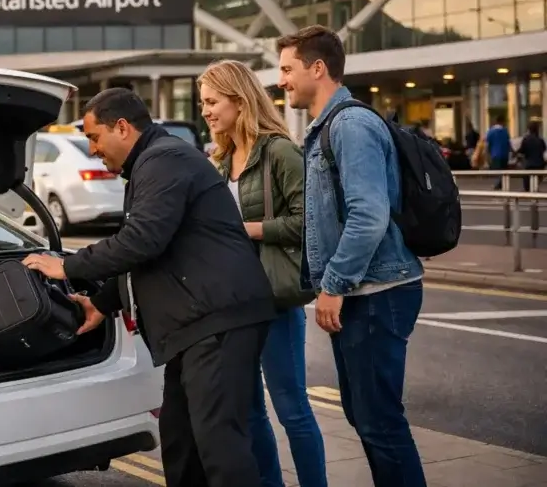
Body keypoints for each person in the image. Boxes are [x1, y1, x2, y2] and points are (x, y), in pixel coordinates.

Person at [22, 87, 276, 487]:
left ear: (121, 127)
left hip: (217, 322)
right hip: (194, 325)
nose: (91, 150)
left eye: (93, 137)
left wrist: (66, 266)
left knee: (220, 450)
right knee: (181, 442)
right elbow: (144, 254)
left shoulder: (164, 160)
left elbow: (142, 240)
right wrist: (102, 303)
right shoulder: (151, 163)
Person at [275, 25, 427, 487]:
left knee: (380, 423)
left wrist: (333, 286)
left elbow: (368, 215)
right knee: (368, 419)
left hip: (376, 292)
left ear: (317, 68)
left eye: (287, 69)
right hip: (367, 290)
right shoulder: (329, 126)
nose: (281, 80)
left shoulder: (351, 125)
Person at [198, 59, 327, 487]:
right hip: (234, 300)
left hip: (274, 295)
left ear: (239, 99)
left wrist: (247, 229)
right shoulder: (221, 159)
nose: (206, 111)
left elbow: (309, 221)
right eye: (203, 103)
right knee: (249, 408)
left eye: (213, 101)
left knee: (292, 408)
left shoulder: (280, 151)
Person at [485, 115, 513, 189]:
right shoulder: (505, 131)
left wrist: (487, 155)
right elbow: (508, 143)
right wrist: (512, 152)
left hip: (495, 154)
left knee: (498, 170)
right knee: (503, 170)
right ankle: (501, 184)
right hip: (505, 154)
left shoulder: (491, 131)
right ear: (502, 122)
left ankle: (499, 184)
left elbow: (488, 145)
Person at [517, 120, 546, 192]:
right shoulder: (540, 140)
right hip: (540, 165)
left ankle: (529, 191)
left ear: (529, 129)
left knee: (527, 185)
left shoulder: (526, 139)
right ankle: (535, 189)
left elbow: (521, 151)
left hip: (528, 165)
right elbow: (544, 149)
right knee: (536, 181)